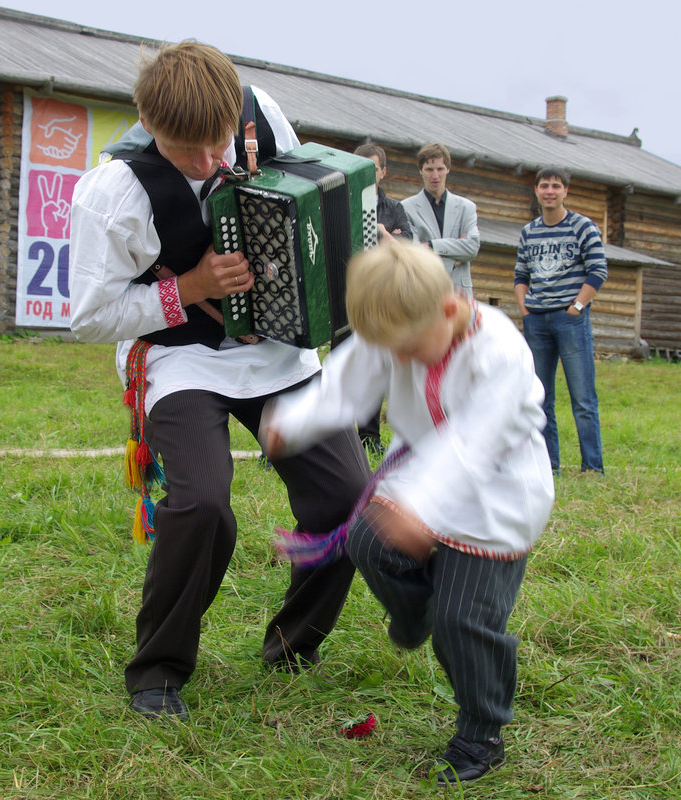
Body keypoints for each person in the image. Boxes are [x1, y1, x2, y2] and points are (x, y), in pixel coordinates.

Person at [69, 41, 370, 722]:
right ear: (147, 121)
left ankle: (294, 644)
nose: (210, 166)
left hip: (278, 352)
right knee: (202, 505)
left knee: (349, 499)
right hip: (181, 359)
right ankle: (158, 672)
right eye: (188, 152)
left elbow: (299, 194)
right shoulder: (113, 193)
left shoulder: (260, 115)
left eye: (219, 146)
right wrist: (190, 288)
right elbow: (88, 318)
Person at [261, 240, 554, 784]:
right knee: (369, 541)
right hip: (421, 471)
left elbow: (473, 443)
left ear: (448, 309)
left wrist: (421, 506)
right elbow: (347, 384)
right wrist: (294, 420)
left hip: (493, 497)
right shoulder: (400, 325)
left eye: (410, 351)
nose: (400, 361)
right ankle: (414, 612)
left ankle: (481, 734)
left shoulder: (499, 353)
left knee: (463, 620)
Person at [514, 166, 607, 474]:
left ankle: (592, 466)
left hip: (570, 320)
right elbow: (521, 275)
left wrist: (577, 306)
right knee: (540, 397)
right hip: (537, 321)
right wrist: (524, 309)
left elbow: (598, 270)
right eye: (544, 186)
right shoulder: (529, 232)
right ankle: (548, 464)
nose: (550, 191)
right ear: (537, 191)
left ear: (566, 191)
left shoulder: (583, 227)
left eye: (556, 186)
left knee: (582, 397)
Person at [352, 142, 413, 455]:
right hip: (346, 297)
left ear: (383, 172)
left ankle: (369, 437)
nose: (367, 173)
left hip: (380, 299)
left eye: (372, 168)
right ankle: (336, 439)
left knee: (376, 367)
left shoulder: (394, 210)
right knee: (339, 364)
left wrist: (382, 233)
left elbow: (408, 248)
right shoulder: (340, 200)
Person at [402, 142, 480, 295]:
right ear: (420, 171)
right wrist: (455, 256)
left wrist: (431, 246)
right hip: (424, 292)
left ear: (448, 169)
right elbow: (414, 254)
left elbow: (471, 248)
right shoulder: (405, 208)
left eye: (440, 169)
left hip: (459, 295)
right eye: (429, 169)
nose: (435, 175)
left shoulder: (467, 208)